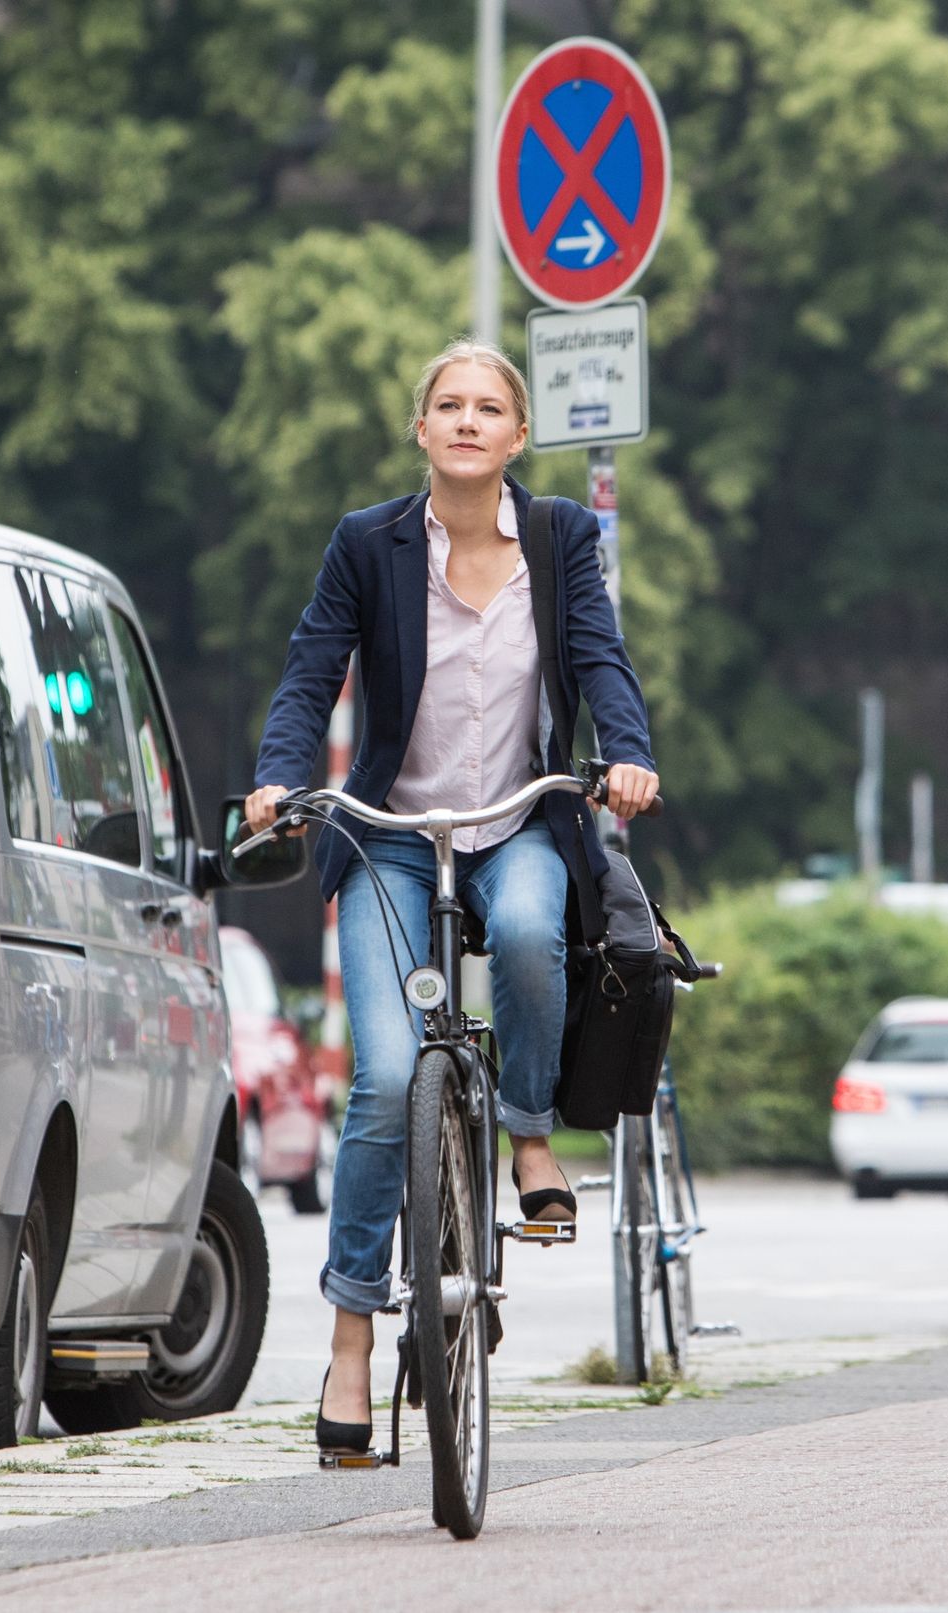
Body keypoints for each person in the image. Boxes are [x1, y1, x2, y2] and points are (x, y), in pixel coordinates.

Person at [244, 339, 659, 1454]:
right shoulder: (365, 544)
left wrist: (623, 751)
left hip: (518, 817)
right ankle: (347, 1340)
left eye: (489, 407)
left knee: (528, 931)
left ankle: (525, 1132)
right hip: (389, 837)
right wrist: (281, 775)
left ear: (516, 437)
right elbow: (307, 669)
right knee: (381, 1083)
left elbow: (600, 657)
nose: (467, 420)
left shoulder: (563, 539)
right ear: (419, 429)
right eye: (447, 405)